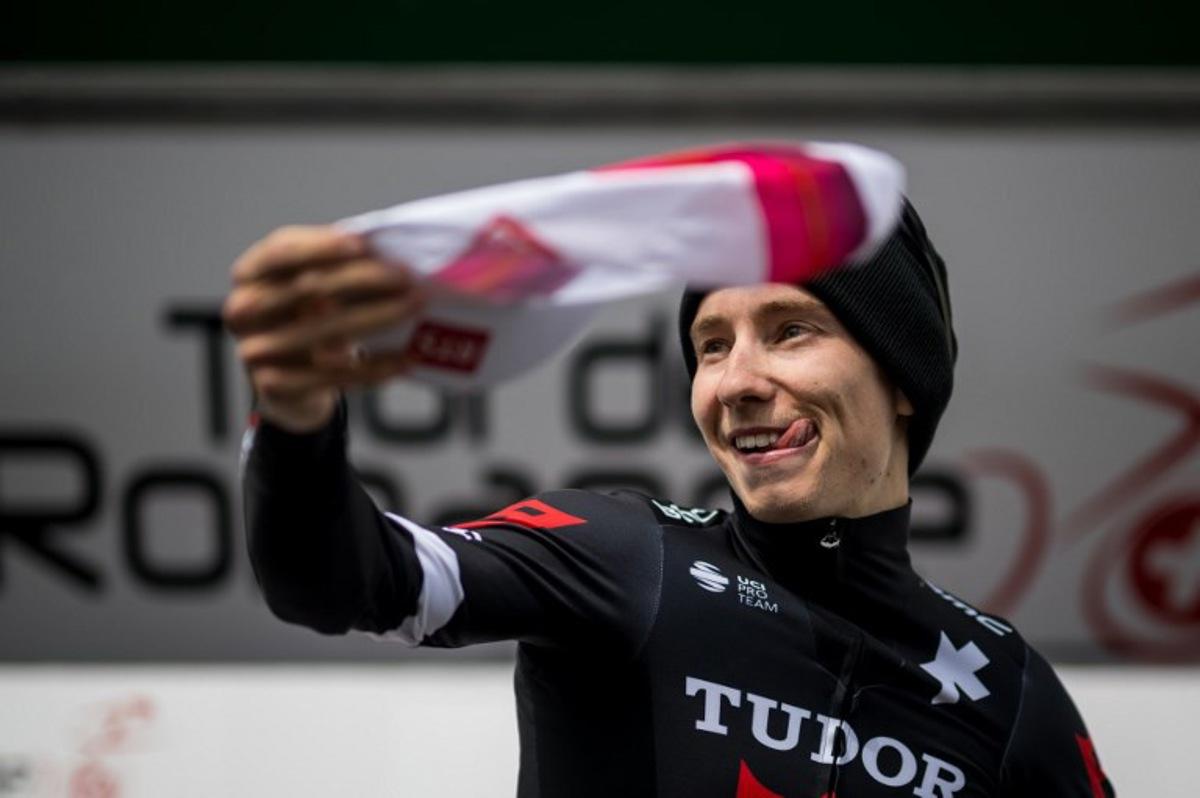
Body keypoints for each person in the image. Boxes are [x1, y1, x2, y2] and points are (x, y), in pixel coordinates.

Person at [225, 201, 1115, 797]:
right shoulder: (623, 556)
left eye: (791, 331)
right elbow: (337, 581)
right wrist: (297, 413)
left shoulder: (1010, 693)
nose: (737, 382)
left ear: (904, 377)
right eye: (712, 344)